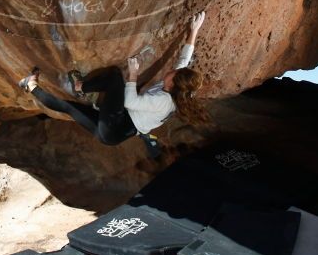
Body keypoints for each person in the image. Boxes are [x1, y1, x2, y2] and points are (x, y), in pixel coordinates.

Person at [18, 11, 208, 157]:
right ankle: (31, 85)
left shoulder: (165, 102)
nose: (172, 70)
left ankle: (81, 87)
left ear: (173, 83)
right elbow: (183, 61)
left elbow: (130, 102)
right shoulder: (177, 88)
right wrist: (194, 31)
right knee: (68, 107)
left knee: (116, 78)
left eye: (174, 73)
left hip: (115, 126)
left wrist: (133, 74)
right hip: (114, 128)